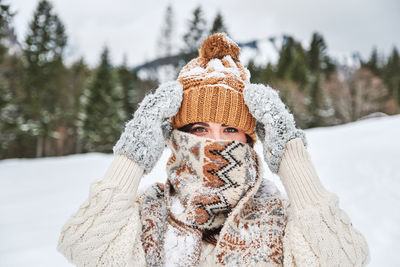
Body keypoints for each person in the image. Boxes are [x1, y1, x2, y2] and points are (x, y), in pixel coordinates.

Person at [57, 33, 370, 266]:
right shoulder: (149, 211)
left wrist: (291, 156)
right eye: (199, 129)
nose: (214, 142)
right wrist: (131, 155)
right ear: (174, 137)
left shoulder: (280, 215)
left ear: (250, 140)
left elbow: (344, 259)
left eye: (230, 130)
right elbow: (85, 246)